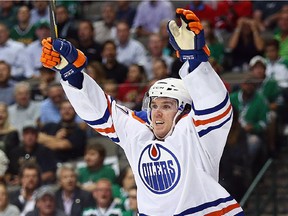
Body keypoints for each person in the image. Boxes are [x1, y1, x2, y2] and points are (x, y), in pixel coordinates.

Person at [40, 8, 244, 215]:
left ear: (184, 110)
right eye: (154, 105)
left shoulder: (197, 133)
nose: (157, 112)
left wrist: (195, 60)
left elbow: (215, 104)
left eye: (166, 106)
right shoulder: (140, 134)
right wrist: (72, 74)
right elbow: (102, 114)